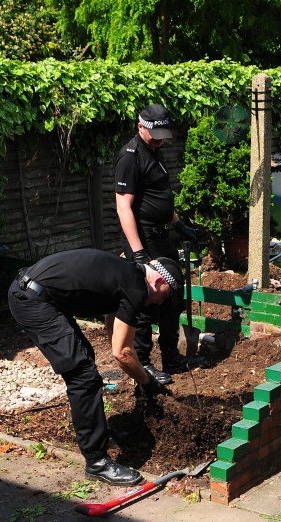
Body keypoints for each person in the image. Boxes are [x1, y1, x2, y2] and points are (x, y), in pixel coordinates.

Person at [8, 248, 181, 486]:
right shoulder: (136, 288)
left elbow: (114, 329)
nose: (161, 302)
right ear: (160, 280)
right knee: (83, 377)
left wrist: (129, 364)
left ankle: (93, 433)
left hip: (36, 293)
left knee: (84, 358)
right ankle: (97, 462)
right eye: (166, 295)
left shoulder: (125, 272)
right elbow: (122, 353)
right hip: (33, 301)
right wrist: (147, 382)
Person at [113, 103, 199, 386]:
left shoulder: (155, 151)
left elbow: (159, 195)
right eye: (156, 134)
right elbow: (124, 207)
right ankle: (144, 363)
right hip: (144, 238)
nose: (161, 138)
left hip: (162, 235)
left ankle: (171, 358)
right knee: (145, 299)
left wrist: (177, 225)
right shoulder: (130, 157)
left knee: (172, 293)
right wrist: (138, 253)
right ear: (141, 127)